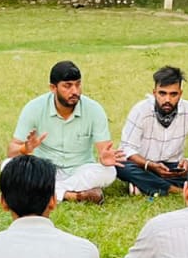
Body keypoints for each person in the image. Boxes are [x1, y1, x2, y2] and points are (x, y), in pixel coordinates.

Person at [7, 60, 120, 204]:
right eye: (68, 86)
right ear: (53, 88)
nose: (75, 91)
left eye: (78, 84)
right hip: (45, 169)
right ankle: (73, 195)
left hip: (80, 169)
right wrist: (25, 148)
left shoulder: (94, 110)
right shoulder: (34, 108)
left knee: (109, 172)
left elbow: (104, 151)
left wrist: (104, 159)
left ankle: (47, 191)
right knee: (8, 166)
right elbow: (11, 151)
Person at [115, 66, 188, 197]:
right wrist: (150, 165)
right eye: (162, 93)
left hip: (174, 168)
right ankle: (174, 189)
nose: (167, 100)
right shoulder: (140, 110)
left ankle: (144, 185)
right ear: (154, 92)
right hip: (144, 165)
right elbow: (126, 148)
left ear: (180, 93)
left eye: (173, 94)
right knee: (120, 165)